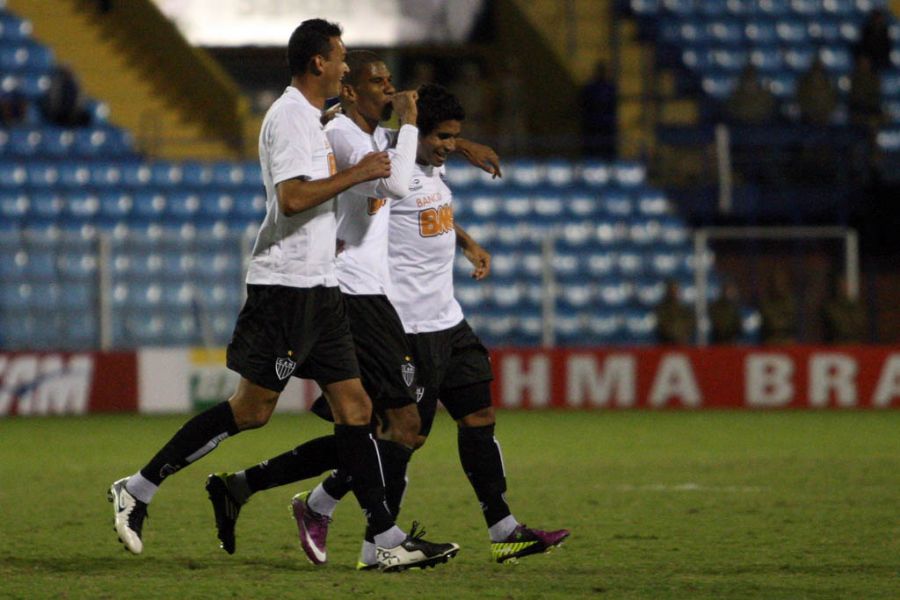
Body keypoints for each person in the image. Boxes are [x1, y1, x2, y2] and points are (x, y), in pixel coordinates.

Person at [108, 19, 458, 573]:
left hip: (322, 287)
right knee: (250, 411)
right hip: (285, 286)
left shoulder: (317, 122)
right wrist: (359, 173)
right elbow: (292, 199)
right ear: (318, 62)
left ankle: (384, 538)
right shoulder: (289, 117)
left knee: (357, 408)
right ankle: (139, 487)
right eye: (341, 57)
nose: (345, 66)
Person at [209, 81, 568, 569]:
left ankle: (504, 530)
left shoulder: (432, 168)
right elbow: (363, 206)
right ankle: (342, 523)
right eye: (440, 136)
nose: (446, 145)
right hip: (404, 325)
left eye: (452, 137)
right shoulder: (385, 166)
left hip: (449, 320)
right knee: (391, 435)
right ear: (412, 129)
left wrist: (465, 239)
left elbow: (428, 203)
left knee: (476, 417)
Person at [580, 60, 617, 159]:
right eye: (600, 71)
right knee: (591, 153)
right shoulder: (589, 88)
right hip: (592, 126)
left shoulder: (610, 88)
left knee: (606, 152)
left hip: (606, 127)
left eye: (603, 71)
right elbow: (584, 105)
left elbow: (612, 106)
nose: (601, 73)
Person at [822, 275, 867, 344]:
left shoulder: (859, 306)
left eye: (849, 285)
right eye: (843, 284)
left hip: (857, 346)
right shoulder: (832, 307)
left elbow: (860, 325)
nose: (846, 287)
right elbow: (843, 327)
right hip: (839, 345)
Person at [759, 268, 797, 345]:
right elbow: (771, 322)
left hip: (787, 339)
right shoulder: (766, 302)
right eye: (777, 281)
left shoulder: (791, 301)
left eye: (782, 281)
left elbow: (791, 321)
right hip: (771, 339)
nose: (779, 284)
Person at [796, 57, 837, 126]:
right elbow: (800, 98)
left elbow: (832, 99)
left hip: (824, 118)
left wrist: (825, 113)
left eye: (819, 68)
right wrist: (808, 112)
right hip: (807, 118)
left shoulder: (828, 82)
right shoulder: (804, 82)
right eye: (815, 68)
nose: (817, 71)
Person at [654, 279, 695, 345]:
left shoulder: (685, 310)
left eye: (676, 289)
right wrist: (676, 336)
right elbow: (663, 326)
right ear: (667, 291)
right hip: (667, 343)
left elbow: (691, 324)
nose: (674, 292)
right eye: (672, 290)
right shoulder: (660, 310)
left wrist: (684, 335)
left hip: (683, 343)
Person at [856, 9, 891, 74]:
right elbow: (863, 47)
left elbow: (887, 49)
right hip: (870, 59)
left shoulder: (885, 32)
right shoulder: (866, 31)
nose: (879, 20)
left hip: (880, 61)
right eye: (877, 18)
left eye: (880, 18)